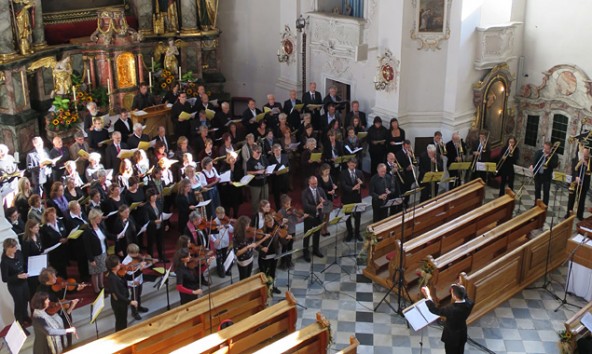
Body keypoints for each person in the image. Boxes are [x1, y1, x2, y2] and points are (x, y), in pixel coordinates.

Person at [35, 267, 82, 348]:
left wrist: (76, 289)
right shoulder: (41, 293)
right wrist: (60, 305)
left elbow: (64, 291)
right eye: (53, 277)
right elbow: (48, 309)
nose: (56, 278)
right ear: (47, 281)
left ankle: (69, 346)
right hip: (54, 317)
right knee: (62, 337)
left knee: (68, 331)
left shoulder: (54, 285)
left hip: (63, 312)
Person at [421, 284, 474, 354]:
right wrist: (460, 287)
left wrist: (428, 295)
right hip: (462, 333)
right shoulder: (470, 303)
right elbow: (465, 296)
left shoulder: (451, 309)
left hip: (452, 336)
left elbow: (435, 310)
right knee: (460, 351)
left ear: (454, 296)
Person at [1, 238, 31, 326]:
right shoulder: (5, 262)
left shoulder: (18, 253)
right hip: (15, 286)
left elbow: (24, 264)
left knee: (25, 300)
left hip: (24, 282)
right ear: (7, 248)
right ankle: (20, 324)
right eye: (13, 247)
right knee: (19, 304)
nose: (15, 248)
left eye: (15, 246)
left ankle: (25, 317)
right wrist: (17, 276)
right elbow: (5, 278)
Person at [105, 255, 138, 331]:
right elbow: (117, 294)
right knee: (121, 322)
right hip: (119, 304)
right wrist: (130, 301)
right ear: (113, 267)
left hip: (123, 302)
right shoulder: (112, 278)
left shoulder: (117, 273)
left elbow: (124, 282)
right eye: (118, 264)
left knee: (123, 321)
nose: (120, 264)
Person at [83, 209, 113, 293]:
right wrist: (91, 260)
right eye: (98, 218)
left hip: (103, 252)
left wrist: (116, 236)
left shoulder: (100, 226)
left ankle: (102, 286)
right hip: (94, 255)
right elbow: (87, 247)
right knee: (95, 273)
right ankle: (96, 289)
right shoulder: (88, 231)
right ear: (93, 218)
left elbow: (106, 235)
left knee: (102, 270)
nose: (100, 219)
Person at [122, 243, 151, 321]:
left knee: (139, 294)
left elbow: (141, 264)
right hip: (133, 281)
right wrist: (140, 269)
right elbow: (129, 276)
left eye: (137, 252)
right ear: (129, 253)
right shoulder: (126, 262)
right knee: (134, 296)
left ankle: (139, 306)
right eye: (135, 253)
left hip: (139, 278)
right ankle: (134, 312)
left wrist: (146, 264)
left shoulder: (137, 257)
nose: (137, 254)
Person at [301, 176, 327, 262]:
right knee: (307, 235)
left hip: (318, 216)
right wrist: (316, 207)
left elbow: (326, 200)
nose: (314, 185)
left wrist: (323, 201)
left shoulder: (320, 190)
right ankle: (305, 252)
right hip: (309, 217)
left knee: (317, 234)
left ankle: (316, 250)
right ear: (309, 183)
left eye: (315, 183)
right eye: (312, 184)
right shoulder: (305, 192)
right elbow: (305, 205)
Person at [40, 208, 69, 278]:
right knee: (57, 270)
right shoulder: (44, 228)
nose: (53, 216)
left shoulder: (60, 222)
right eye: (51, 215)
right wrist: (58, 241)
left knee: (64, 268)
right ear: (46, 217)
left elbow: (64, 232)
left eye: (54, 214)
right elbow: (45, 241)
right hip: (54, 252)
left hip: (63, 249)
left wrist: (66, 238)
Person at [340, 157, 364, 242]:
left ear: (356, 165)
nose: (352, 165)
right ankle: (350, 233)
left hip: (357, 198)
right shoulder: (343, 173)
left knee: (358, 217)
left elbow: (364, 186)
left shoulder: (359, 172)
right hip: (347, 198)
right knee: (348, 217)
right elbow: (343, 185)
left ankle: (357, 233)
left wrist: (361, 183)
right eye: (351, 163)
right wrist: (352, 188)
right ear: (347, 164)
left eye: (354, 164)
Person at [566, 147, 591, 220]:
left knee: (581, 200)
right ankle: (568, 214)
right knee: (571, 199)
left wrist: (586, 165)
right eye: (584, 153)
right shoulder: (575, 160)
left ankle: (580, 215)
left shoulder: (590, 160)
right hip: (575, 182)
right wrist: (576, 176)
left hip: (584, 183)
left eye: (587, 154)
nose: (585, 155)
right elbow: (573, 170)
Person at [531, 141, 558, 206]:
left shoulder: (554, 155)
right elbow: (535, 161)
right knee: (537, 190)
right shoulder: (539, 152)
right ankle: (536, 204)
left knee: (546, 192)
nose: (545, 150)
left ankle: (544, 206)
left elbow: (554, 165)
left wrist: (548, 158)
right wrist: (532, 167)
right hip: (538, 175)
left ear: (550, 149)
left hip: (547, 176)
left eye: (547, 149)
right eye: (544, 148)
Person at [277, 194, 301, 269]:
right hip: (285, 233)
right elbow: (278, 224)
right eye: (287, 204)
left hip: (292, 231)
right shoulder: (280, 212)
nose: (289, 205)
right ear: (283, 204)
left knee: (290, 247)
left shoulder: (292, 210)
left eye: (290, 203)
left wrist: (295, 214)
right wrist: (283, 222)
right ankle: (283, 263)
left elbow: (297, 220)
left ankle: (289, 261)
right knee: (284, 247)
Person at [209, 207, 234, 277]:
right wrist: (214, 240)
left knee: (225, 256)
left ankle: (226, 269)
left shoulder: (226, 221)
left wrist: (229, 226)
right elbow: (210, 234)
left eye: (223, 214)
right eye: (220, 214)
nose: (222, 216)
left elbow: (231, 231)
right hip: (218, 243)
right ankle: (220, 271)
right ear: (216, 214)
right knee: (219, 258)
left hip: (225, 241)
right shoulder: (214, 222)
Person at [246, 145, 270, 212]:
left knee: (265, 199)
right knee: (255, 201)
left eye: (260, 152)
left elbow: (268, 167)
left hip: (264, 182)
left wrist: (268, 171)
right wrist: (257, 172)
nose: (259, 154)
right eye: (257, 152)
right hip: (255, 184)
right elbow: (248, 172)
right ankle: (256, 215)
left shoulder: (263, 158)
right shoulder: (250, 161)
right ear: (253, 152)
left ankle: (265, 213)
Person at [233, 215, 256, 280]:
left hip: (250, 257)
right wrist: (248, 246)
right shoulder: (237, 236)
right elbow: (237, 253)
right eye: (247, 225)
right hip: (243, 261)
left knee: (248, 277)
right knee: (243, 279)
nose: (249, 227)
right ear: (242, 226)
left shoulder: (248, 232)